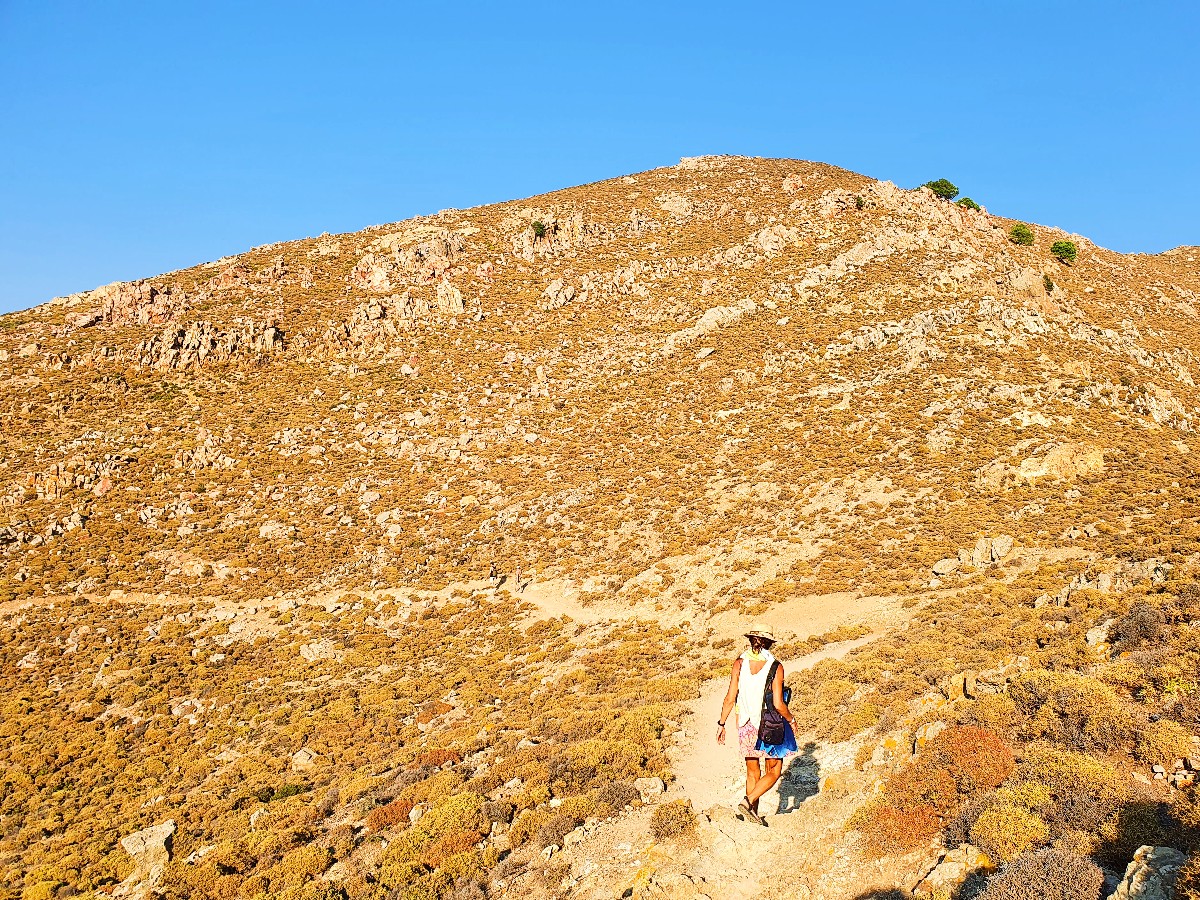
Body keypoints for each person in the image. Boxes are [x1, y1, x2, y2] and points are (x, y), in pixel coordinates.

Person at [716, 625, 799, 825]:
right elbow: (779, 703)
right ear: (770, 643)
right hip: (768, 724)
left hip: (744, 724)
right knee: (774, 771)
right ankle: (748, 802)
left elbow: (730, 697)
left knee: (752, 772)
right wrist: (791, 719)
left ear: (751, 640)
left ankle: (752, 814)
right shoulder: (775, 666)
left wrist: (721, 723)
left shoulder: (739, 663)